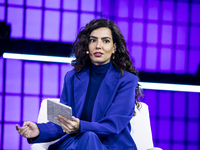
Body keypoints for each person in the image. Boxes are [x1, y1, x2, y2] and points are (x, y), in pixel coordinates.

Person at [16, 18, 142, 150]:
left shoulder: (127, 80)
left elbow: (113, 125)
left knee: (89, 136)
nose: (98, 46)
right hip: (76, 144)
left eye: (105, 41)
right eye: (93, 40)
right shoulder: (72, 78)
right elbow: (63, 122)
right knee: (87, 137)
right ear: (87, 46)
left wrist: (80, 126)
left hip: (111, 147)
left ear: (114, 48)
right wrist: (39, 130)